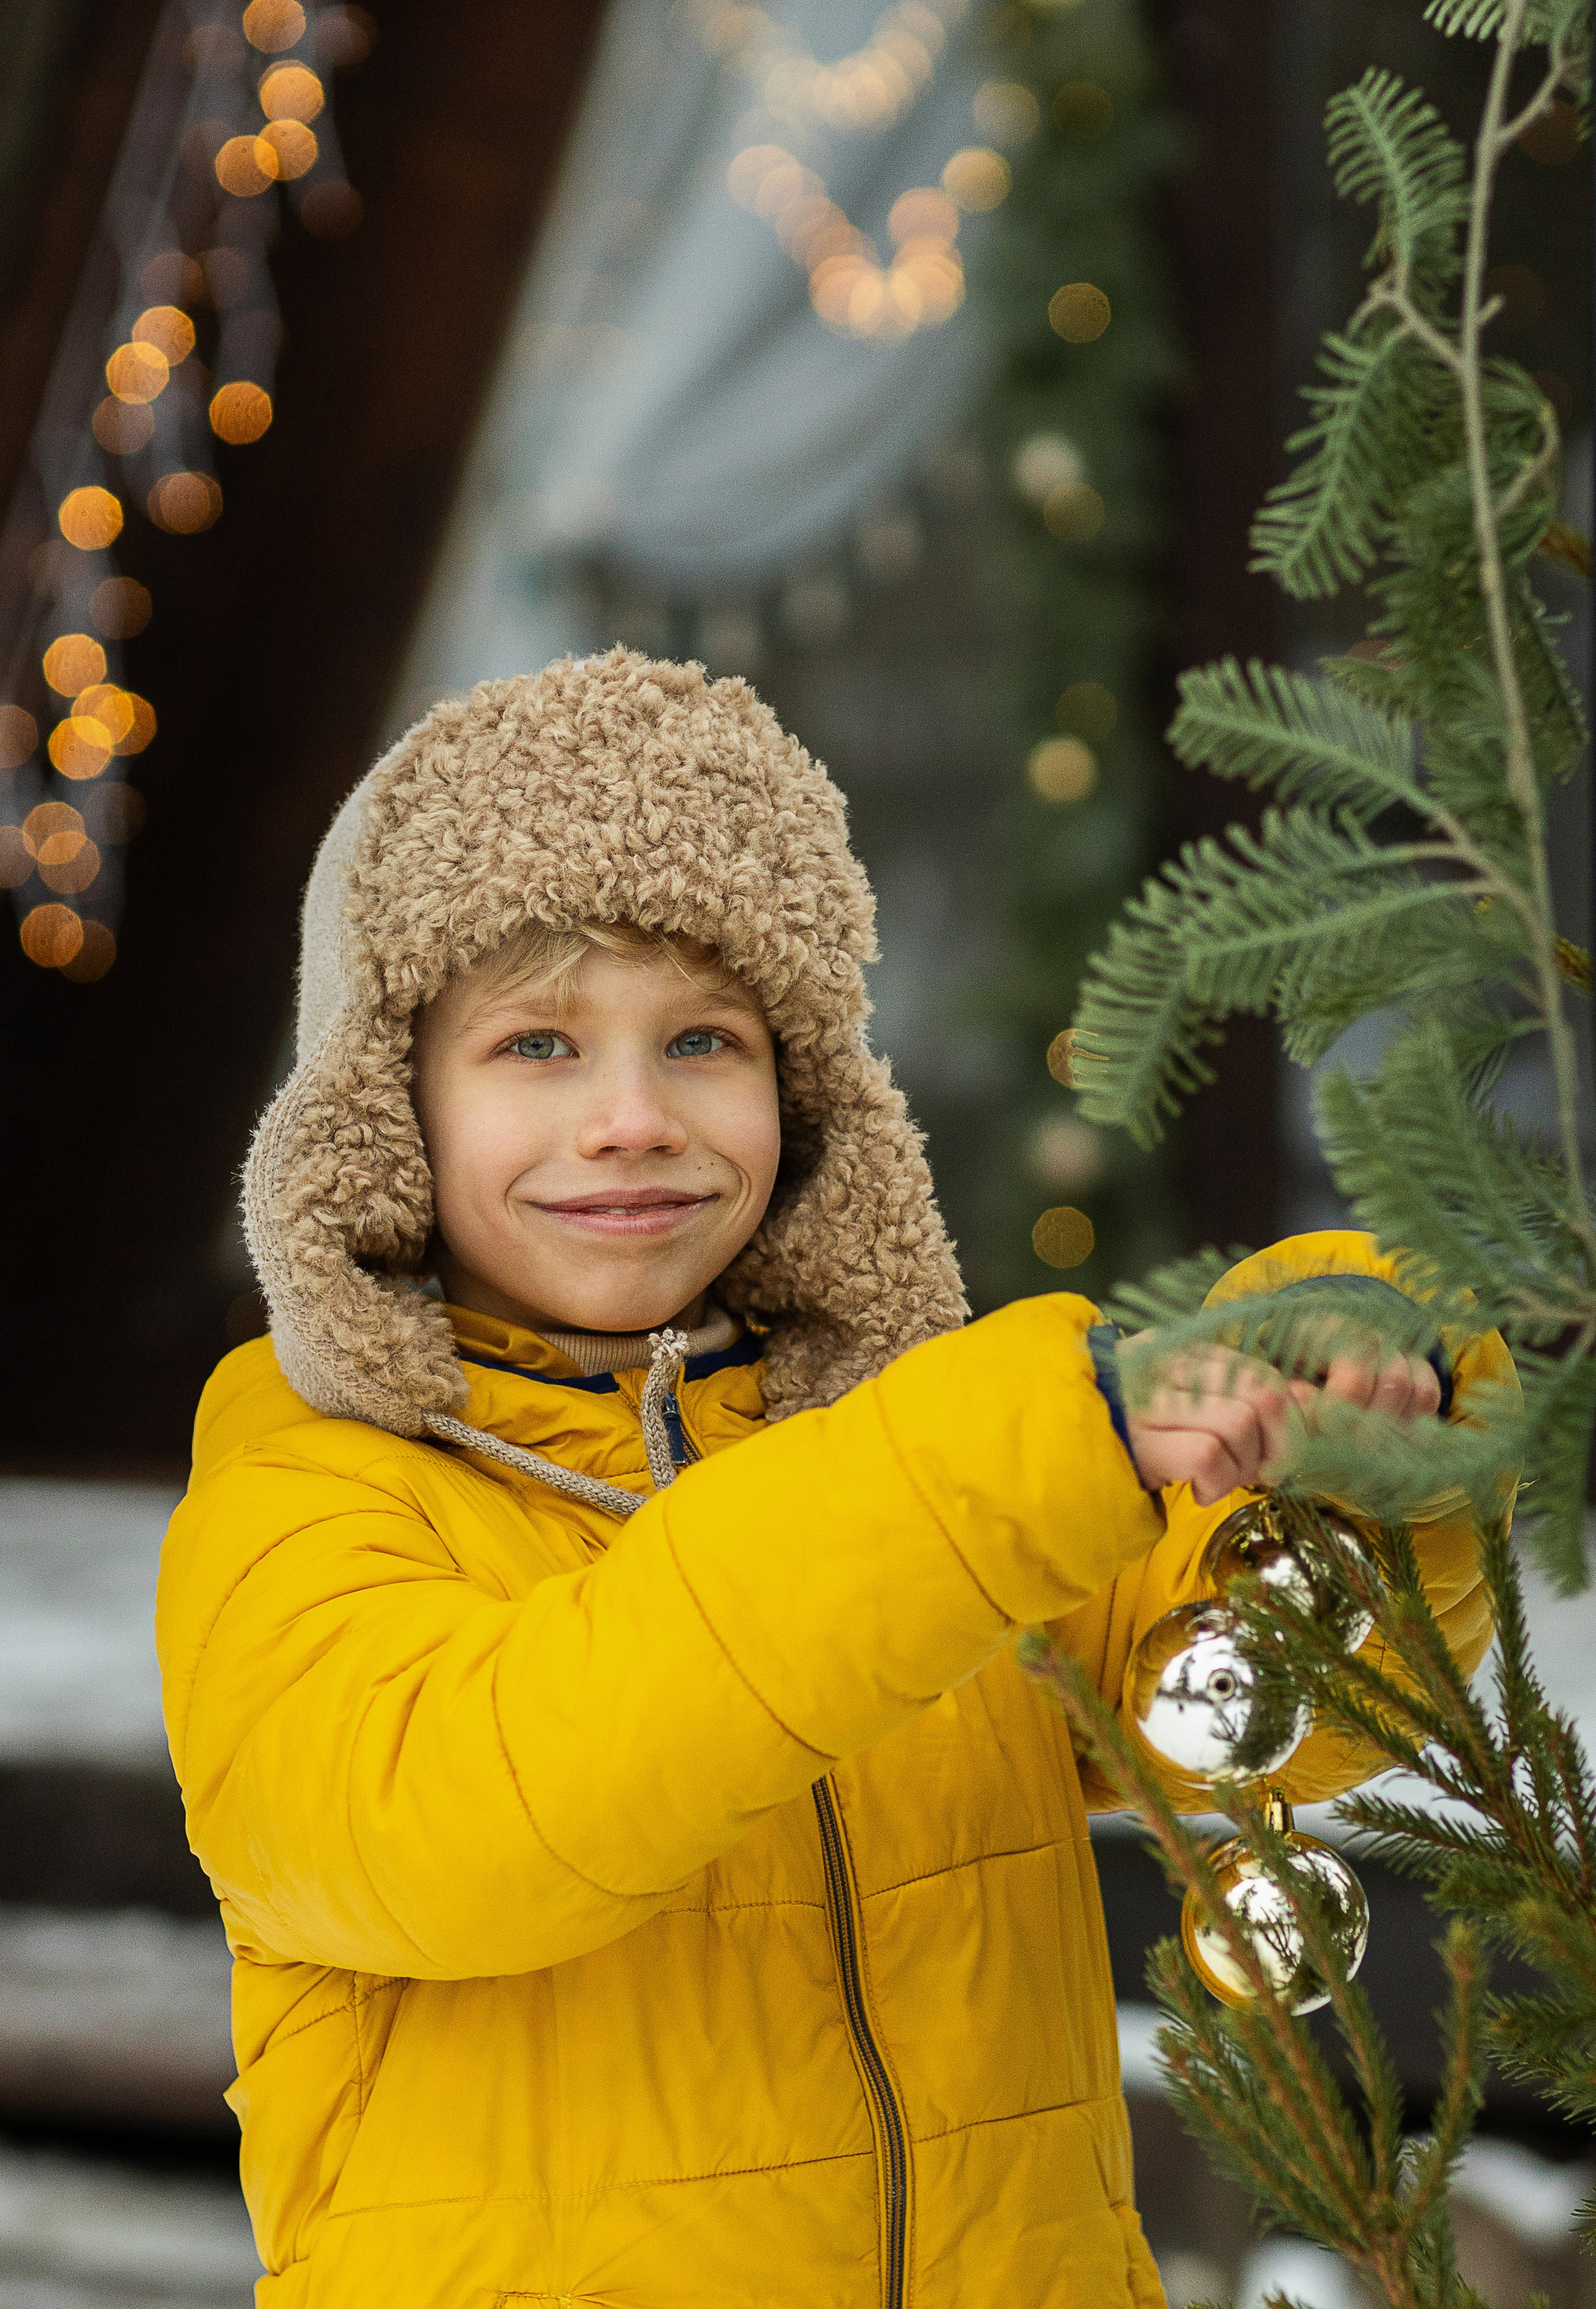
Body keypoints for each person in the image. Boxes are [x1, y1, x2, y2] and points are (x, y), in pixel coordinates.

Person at [157, 649, 1509, 2309]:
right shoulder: (311, 1494)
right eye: (536, 1046)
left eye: (705, 1039)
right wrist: (1004, 1451)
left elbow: (1248, 1690)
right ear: (386, 1108)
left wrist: (1377, 1395)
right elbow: (471, 1814)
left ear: (802, 1093)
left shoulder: (923, 1454)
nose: (633, 1118)